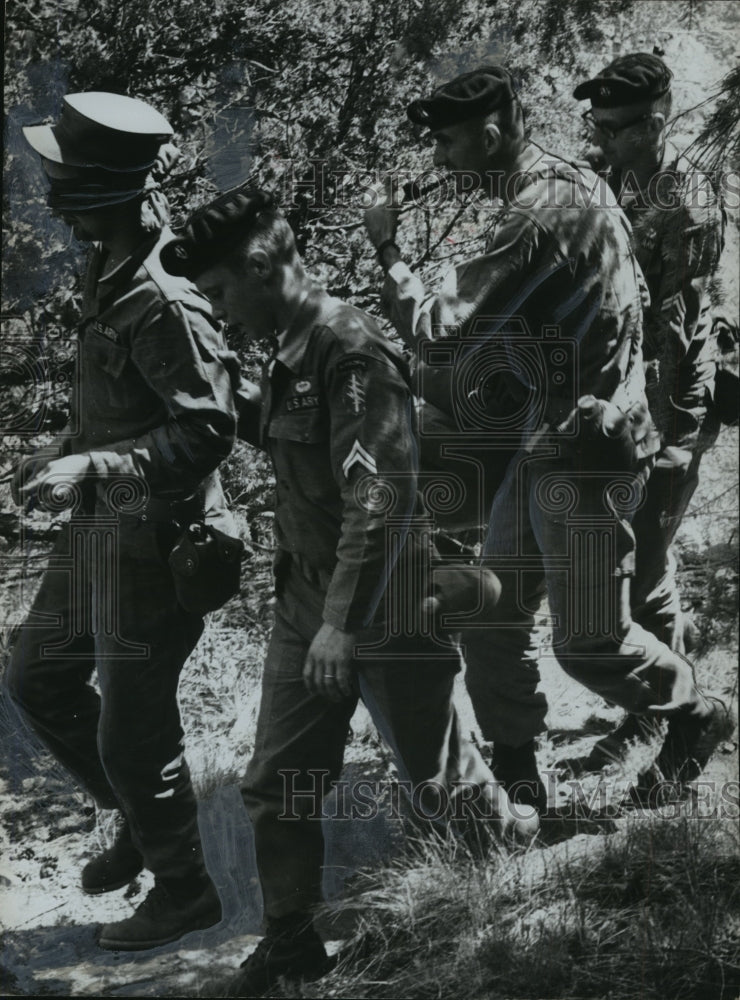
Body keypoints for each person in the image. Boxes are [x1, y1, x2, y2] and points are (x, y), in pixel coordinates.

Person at [161, 184, 538, 996]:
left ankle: (493, 895)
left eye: (223, 290)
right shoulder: (288, 351)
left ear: (261, 266)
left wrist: (340, 623)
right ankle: (292, 940)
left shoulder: (351, 349)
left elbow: (380, 495)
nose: (220, 309)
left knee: (433, 780)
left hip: (384, 600)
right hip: (310, 599)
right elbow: (308, 455)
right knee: (276, 780)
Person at [363, 65, 733, 813]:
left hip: (585, 447)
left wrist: (388, 252)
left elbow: (440, 330)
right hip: (551, 435)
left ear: (492, 134)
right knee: (495, 614)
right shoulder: (575, 186)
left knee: (588, 641)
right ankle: (518, 770)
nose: (439, 159)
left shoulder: (536, 216)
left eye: (447, 142)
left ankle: (700, 712)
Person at [6, 92, 239, 950]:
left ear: (100, 191)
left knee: (135, 729)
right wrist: (63, 447)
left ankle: (186, 892)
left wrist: (93, 464)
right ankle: (138, 821)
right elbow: (116, 404)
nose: (49, 193)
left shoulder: (164, 298)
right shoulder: (105, 263)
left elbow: (209, 431)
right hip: (100, 527)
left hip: (157, 542)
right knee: (37, 676)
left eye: (60, 180)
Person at [573, 52, 737, 768]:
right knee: (631, 564)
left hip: (665, 411)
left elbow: (686, 326)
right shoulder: (606, 179)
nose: (603, 139)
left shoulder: (687, 199)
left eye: (617, 128)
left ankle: (684, 725)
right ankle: (650, 713)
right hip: (615, 406)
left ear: (658, 119)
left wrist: (677, 437)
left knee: (643, 568)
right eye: (598, 125)